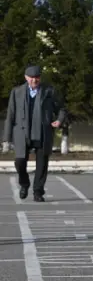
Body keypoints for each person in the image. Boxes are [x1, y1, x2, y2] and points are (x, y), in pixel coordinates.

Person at [3, 65, 67, 202]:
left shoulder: (49, 91)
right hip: (22, 133)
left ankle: (38, 192)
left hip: (42, 132)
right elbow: (10, 116)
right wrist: (6, 139)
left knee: (42, 164)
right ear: (26, 78)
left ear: (40, 78)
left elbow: (61, 109)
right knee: (19, 161)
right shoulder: (17, 92)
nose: (34, 80)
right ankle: (24, 184)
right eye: (31, 78)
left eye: (37, 77)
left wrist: (59, 121)